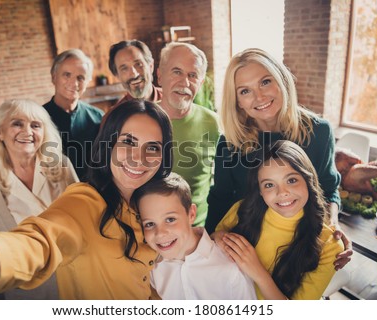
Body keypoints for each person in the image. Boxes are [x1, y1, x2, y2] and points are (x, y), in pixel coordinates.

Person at [0, 100, 172, 300]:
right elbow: (37, 241)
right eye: (128, 142)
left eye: (152, 147)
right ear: (108, 144)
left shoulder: (150, 204)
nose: (139, 158)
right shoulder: (86, 202)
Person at [205, 48, 352, 269]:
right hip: (246, 246)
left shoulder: (318, 132)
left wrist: (333, 224)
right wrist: (209, 243)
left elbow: (328, 189)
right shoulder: (230, 142)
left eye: (265, 82)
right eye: (245, 91)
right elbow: (220, 198)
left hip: (299, 246)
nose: (260, 97)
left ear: (282, 80)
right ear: (237, 101)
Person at [0, 99, 79, 299]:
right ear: (0, 132)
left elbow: (84, 216)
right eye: (17, 123)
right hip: (30, 292)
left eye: (35, 125)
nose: (27, 131)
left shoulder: (63, 166)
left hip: (78, 279)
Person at [213, 140, 344, 300]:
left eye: (291, 180)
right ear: (260, 191)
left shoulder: (330, 246)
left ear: (308, 180)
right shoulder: (242, 209)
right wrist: (217, 237)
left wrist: (257, 271)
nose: (282, 192)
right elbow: (213, 243)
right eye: (269, 185)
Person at [131, 172, 256, 300]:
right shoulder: (151, 267)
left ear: (191, 214)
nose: (160, 233)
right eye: (150, 224)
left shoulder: (229, 266)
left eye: (170, 219)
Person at [157, 42, 219, 227]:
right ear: (160, 76)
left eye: (192, 75)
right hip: (150, 234)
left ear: (200, 83)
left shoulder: (213, 123)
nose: (184, 82)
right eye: (176, 72)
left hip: (200, 232)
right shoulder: (140, 121)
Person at [43, 49, 104, 179]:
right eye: (67, 75)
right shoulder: (37, 119)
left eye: (80, 78)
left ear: (87, 82)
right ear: (54, 77)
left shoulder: (99, 118)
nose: (74, 83)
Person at [109, 40, 163, 105]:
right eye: (124, 68)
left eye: (138, 64)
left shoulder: (174, 101)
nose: (134, 74)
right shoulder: (116, 114)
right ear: (117, 76)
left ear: (151, 66)